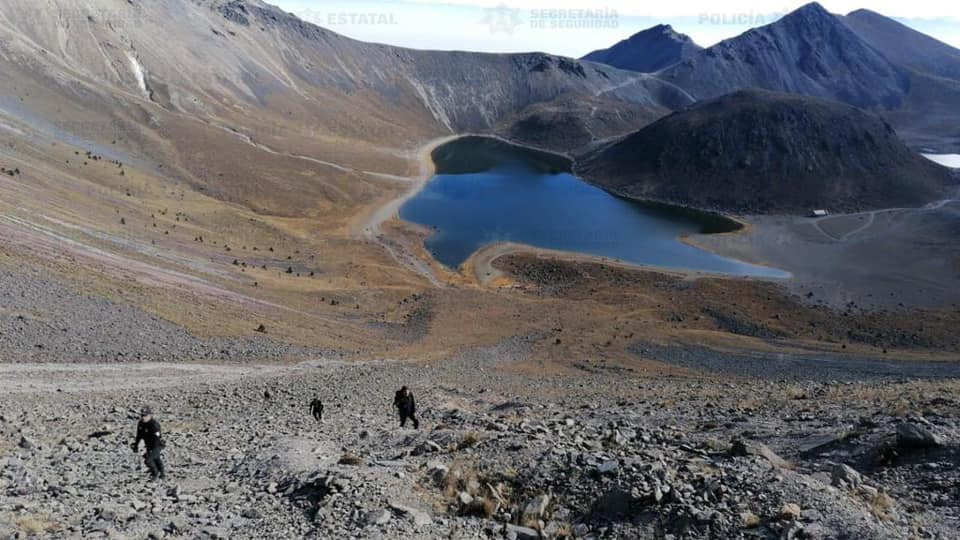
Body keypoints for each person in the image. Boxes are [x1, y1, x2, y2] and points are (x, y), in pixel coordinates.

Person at [131, 407, 165, 480]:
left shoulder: (154, 424)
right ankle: (162, 474)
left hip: (157, 445)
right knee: (156, 459)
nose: (143, 417)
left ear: (150, 416)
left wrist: (153, 449)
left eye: (145, 416)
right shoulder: (141, 423)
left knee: (148, 460)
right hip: (148, 444)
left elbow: (157, 438)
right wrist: (136, 445)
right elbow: (139, 435)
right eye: (142, 415)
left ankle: (155, 474)